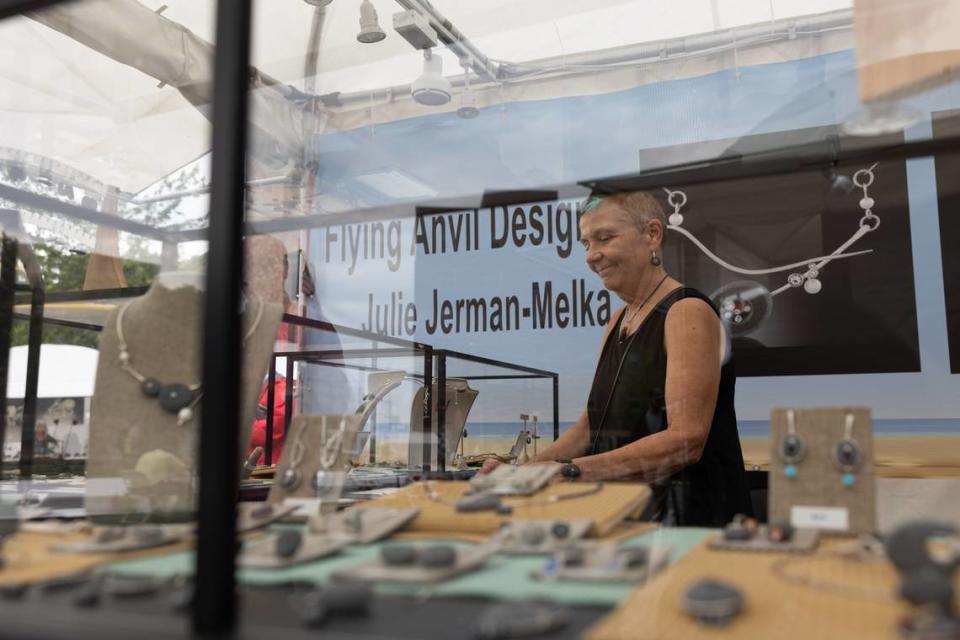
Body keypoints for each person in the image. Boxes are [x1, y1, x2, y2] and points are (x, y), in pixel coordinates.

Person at [481, 191, 752, 526]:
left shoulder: (686, 311)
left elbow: (686, 440)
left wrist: (571, 471)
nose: (592, 256)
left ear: (652, 234)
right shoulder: (617, 320)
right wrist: (521, 473)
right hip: (632, 517)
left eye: (604, 238)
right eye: (586, 244)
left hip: (691, 520)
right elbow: (589, 427)